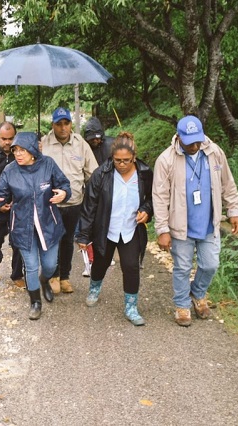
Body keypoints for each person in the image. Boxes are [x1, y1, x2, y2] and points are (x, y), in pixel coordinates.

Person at [152, 115, 238, 327]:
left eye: (197, 140)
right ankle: (182, 305)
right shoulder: (166, 160)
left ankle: (197, 292)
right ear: (179, 136)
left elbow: (228, 183)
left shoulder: (214, 152)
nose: (194, 145)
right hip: (180, 225)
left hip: (209, 223)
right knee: (182, 267)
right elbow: (160, 196)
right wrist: (162, 229)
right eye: (189, 141)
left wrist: (234, 210)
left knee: (211, 264)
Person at [0, 132, 71, 320]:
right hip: (22, 226)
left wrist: (64, 194)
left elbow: (64, 184)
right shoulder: (10, 170)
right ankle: (35, 302)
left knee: (50, 265)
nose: (18, 154)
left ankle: (45, 281)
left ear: (33, 151)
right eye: (15, 150)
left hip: (48, 224)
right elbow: (1, 193)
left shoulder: (48, 164)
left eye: (22, 150)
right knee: (31, 265)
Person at [76, 132, 153, 326]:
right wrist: (83, 235)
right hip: (106, 229)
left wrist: (146, 210)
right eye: (117, 160)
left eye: (127, 160)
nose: (122, 164)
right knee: (101, 263)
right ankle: (94, 288)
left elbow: (154, 198)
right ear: (112, 158)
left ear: (134, 157)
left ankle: (131, 307)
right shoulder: (101, 174)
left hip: (130, 228)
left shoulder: (144, 173)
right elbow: (89, 206)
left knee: (131, 266)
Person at [41, 107, 98, 294]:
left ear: (71, 124)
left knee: (67, 240)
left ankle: (65, 276)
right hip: (51, 203)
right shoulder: (44, 144)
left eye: (66, 123)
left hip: (74, 201)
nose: (63, 128)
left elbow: (93, 172)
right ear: (53, 125)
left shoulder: (80, 143)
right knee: (52, 240)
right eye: (59, 124)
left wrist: (94, 197)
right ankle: (54, 275)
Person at [0, 121, 25, 288]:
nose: (7, 142)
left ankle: (17, 274)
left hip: (19, 207)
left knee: (19, 243)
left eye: (11, 138)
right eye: (3, 139)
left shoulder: (22, 153)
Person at [82, 116, 117, 276]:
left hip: (109, 190)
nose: (95, 142)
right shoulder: (83, 147)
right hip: (90, 191)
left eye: (97, 138)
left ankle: (106, 254)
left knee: (106, 224)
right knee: (91, 225)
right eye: (92, 139)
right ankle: (91, 259)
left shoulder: (111, 145)